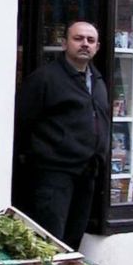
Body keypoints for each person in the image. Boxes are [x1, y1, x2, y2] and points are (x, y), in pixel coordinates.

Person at [14, 20, 110, 250]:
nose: (85, 44)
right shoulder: (45, 78)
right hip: (54, 172)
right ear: (64, 43)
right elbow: (23, 121)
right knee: (49, 236)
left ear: (97, 47)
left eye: (90, 40)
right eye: (78, 39)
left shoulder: (97, 81)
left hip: (88, 170)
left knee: (74, 235)